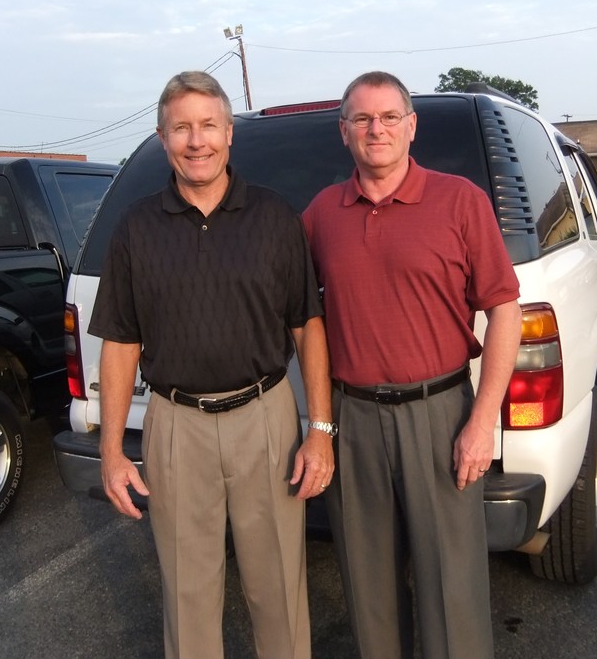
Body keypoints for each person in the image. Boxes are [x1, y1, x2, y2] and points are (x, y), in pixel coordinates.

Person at [91, 70, 334, 659]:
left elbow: (308, 326)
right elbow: (120, 343)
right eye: (181, 128)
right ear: (163, 138)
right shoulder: (136, 229)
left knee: (277, 589)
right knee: (188, 594)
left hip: (266, 419)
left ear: (229, 133)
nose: (195, 141)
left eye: (207, 125)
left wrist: (321, 431)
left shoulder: (274, 218)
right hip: (176, 426)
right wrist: (111, 451)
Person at [302, 71, 522, 659]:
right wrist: (319, 427)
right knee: (368, 586)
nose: (377, 129)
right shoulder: (322, 214)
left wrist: (481, 422)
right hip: (353, 420)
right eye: (362, 119)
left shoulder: (460, 201)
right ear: (344, 131)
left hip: (439, 415)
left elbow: (504, 311)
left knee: (452, 587)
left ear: (411, 126)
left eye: (389, 117)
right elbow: (300, 316)